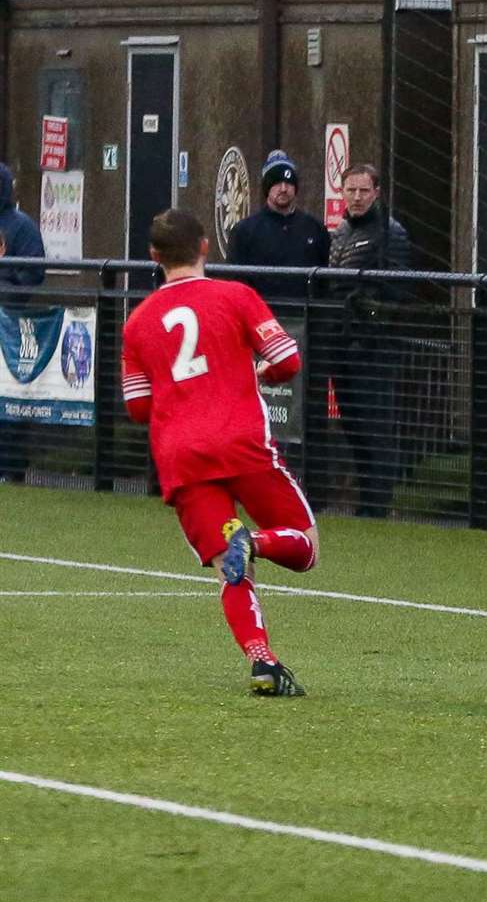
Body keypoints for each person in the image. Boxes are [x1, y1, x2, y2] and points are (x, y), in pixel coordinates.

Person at [121, 209, 317, 696]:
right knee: (306, 547)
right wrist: (257, 375)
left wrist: (178, 391)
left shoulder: (139, 321)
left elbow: (138, 406)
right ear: (206, 247)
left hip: (182, 458)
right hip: (241, 444)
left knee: (231, 570)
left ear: (154, 257)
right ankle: (258, 540)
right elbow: (287, 361)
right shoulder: (236, 296)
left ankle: (263, 661)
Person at [325, 163, 410, 518]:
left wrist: (371, 322)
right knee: (353, 425)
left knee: (375, 427)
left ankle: (377, 504)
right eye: (351, 190)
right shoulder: (341, 231)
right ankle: (366, 500)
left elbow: (398, 290)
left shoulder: (391, 233)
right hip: (342, 344)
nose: (357, 197)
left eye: (363, 191)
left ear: (376, 192)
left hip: (373, 348)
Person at [225, 149, 331, 300]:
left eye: (288, 183)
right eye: (276, 183)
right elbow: (235, 279)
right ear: (267, 188)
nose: (283, 189)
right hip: (261, 313)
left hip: (305, 314)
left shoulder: (315, 228)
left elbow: (324, 278)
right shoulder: (245, 231)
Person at [0, 162, 46, 483]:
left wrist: (7, 289)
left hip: (10, 325)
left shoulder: (21, 226)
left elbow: (33, 274)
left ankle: (11, 468)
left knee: (10, 398)